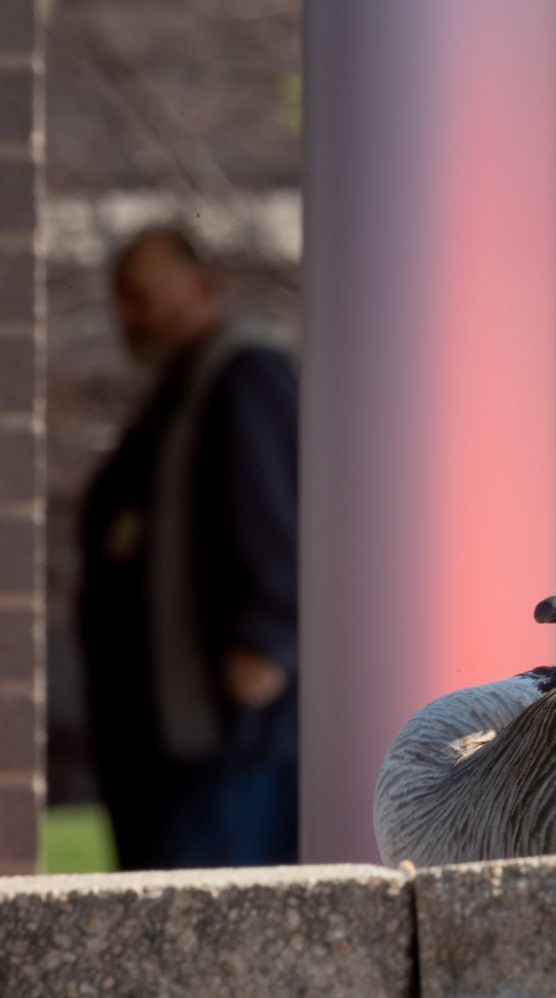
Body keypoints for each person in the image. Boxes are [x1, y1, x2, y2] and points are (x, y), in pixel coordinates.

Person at [76, 226, 300, 869]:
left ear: (198, 290)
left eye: (143, 296)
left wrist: (262, 639)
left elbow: (271, 513)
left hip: (227, 735)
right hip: (167, 736)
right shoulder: (176, 394)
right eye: (122, 298)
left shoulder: (241, 375)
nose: (128, 315)